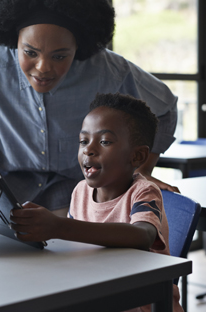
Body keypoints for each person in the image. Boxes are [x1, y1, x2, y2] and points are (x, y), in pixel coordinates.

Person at [0, 0, 180, 217]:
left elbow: (165, 108)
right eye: (30, 52)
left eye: (60, 56)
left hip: (81, 195)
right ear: (14, 39)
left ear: (78, 47)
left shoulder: (107, 68)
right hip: (9, 195)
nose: (42, 68)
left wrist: (142, 170)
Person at [10, 93, 183, 312]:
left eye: (104, 142)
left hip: (144, 303)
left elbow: (143, 235)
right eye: (83, 141)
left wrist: (57, 226)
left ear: (137, 157)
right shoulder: (81, 191)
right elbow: (74, 245)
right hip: (100, 292)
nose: (88, 150)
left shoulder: (143, 192)